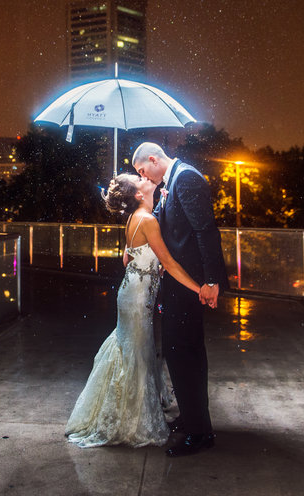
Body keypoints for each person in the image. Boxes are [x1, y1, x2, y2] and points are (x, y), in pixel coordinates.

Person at [65, 173, 210, 448]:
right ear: (139, 195)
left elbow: (126, 258)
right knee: (137, 352)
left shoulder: (134, 218)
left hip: (130, 292)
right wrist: (199, 288)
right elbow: (170, 263)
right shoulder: (148, 220)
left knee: (134, 349)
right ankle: (129, 420)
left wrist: (146, 267)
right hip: (138, 296)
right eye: (139, 178)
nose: (144, 177)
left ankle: (127, 411)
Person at [132, 141, 229, 457]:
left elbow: (205, 230)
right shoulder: (171, 182)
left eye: (142, 171)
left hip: (189, 286)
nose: (143, 177)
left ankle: (199, 433)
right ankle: (193, 419)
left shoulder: (185, 178)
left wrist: (211, 281)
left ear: (152, 159)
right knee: (183, 354)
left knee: (182, 354)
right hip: (180, 286)